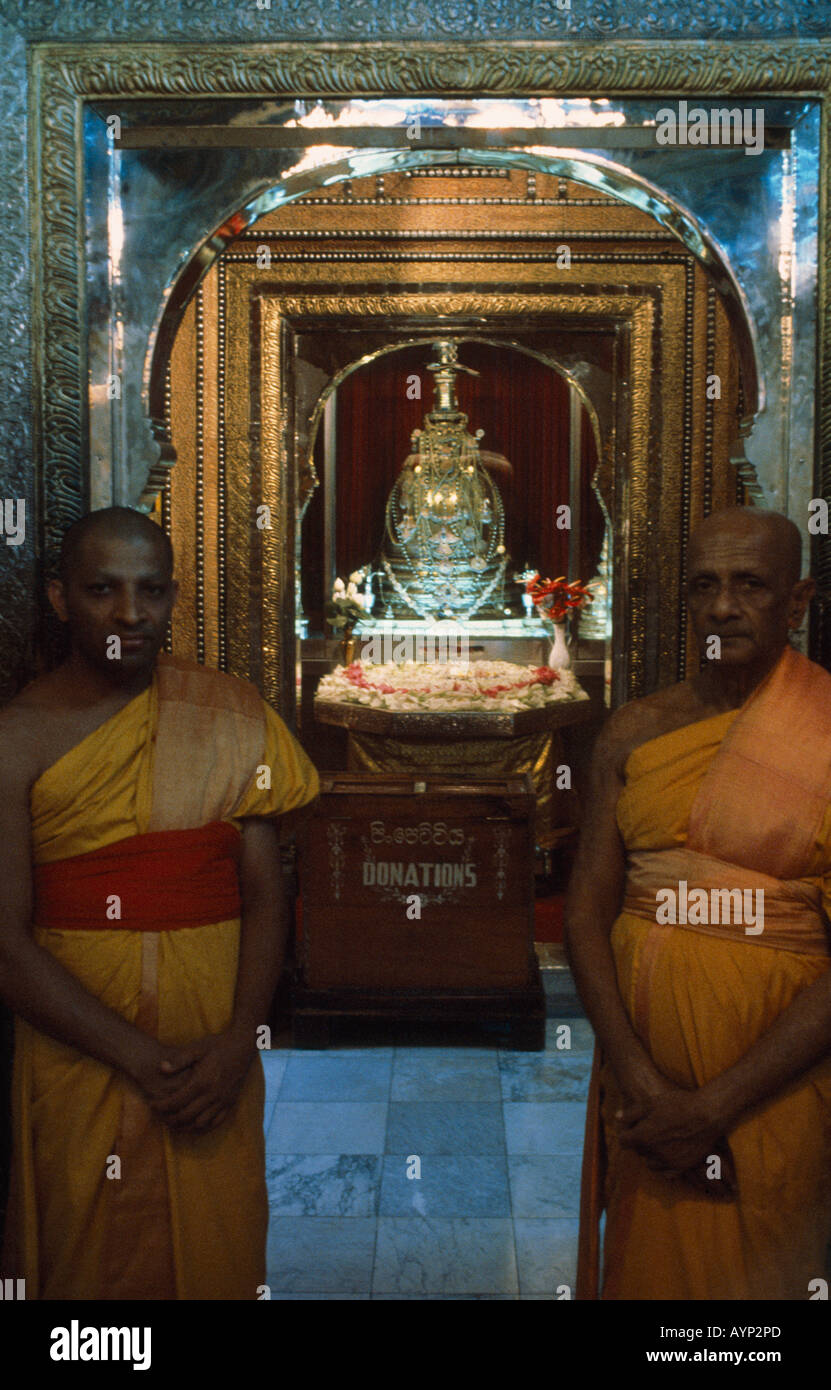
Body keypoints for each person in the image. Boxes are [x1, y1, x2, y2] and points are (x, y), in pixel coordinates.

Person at [0, 507, 319, 1299]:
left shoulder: (228, 713)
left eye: (150, 590)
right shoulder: (17, 740)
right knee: (87, 1263)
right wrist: (143, 1062)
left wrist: (238, 1044)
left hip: (215, 1066)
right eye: (102, 589)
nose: (129, 613)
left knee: (215, 1255)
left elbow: (265, 899)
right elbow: (5, 946)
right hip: (81, 1062)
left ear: (175, 597)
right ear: (59, 596)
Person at [565, 506, 831, 1300]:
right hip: (646, 1098)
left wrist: (713, 1106)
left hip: (770, 1098)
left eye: (749, 586)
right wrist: (642, 1084)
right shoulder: (634, 732)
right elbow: (583, 914)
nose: (721, 608)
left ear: (796, 603)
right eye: (703, 586)